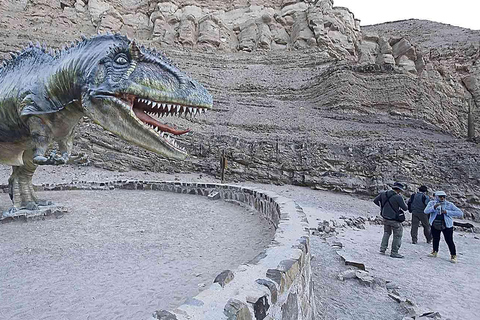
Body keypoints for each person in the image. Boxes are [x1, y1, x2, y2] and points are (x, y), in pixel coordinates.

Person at [424, 191, 463, 263]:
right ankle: (434, 251)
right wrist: (434, 207)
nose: (442, 198)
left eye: (443, 196)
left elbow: (460, 213)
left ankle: (453, 255)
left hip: (447, 225)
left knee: (449, 240)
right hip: (435, 223)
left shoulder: (449, 204)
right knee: (435, 238)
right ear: (436, 197)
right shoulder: (432, 203)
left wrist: (447, 212)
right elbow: (426, 211)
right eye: (440, 196)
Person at [374, 182, 408, 258]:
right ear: (399, 190)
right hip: (394, 219)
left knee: (386, 232)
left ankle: (383, 249)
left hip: (385, 217)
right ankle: (394, 252)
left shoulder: (383, 194)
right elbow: (405, 208)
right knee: (397, 235)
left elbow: (375, 201)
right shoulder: (398, 197)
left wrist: (382, 207)